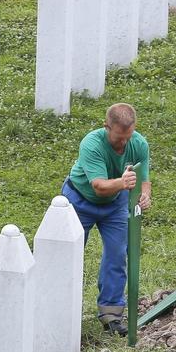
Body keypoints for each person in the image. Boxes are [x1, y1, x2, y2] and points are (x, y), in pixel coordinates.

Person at [61, 103, 152, 335]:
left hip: (115, 206)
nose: (123, 143)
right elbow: (99, 186)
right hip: (80, 200)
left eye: (128, 137)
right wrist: (123, 183)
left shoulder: (139, 143)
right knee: (68, 254)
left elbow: (143, 177)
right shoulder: (92, 143)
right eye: (118, 138)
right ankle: (59, 308)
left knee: (117, 254)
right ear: (106, 127)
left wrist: (145, 194)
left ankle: (111, 316)